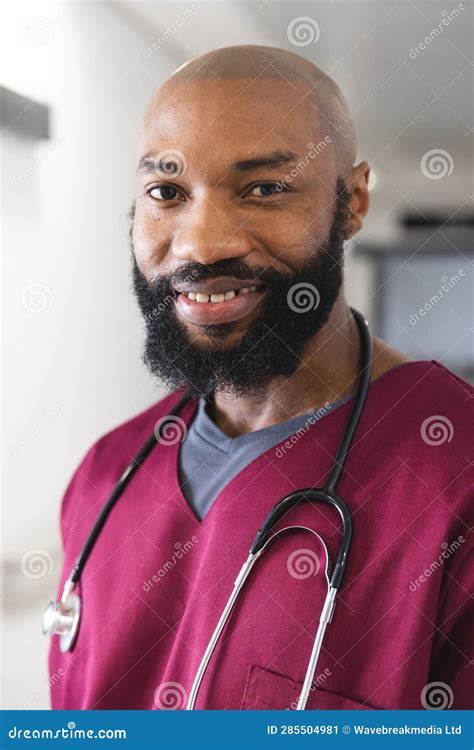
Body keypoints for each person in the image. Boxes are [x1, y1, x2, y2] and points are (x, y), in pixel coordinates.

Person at [48, 45, 473, 710]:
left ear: (353, 201)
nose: (200, 243)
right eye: (167, 192)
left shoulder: (458, 476)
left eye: (264, 189)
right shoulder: (105, 477)